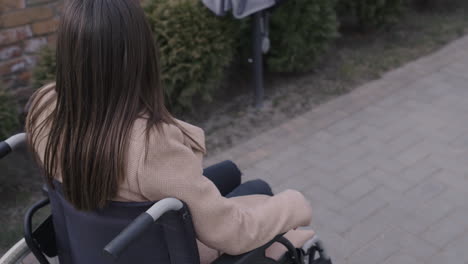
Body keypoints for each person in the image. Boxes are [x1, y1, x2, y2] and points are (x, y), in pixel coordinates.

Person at [25, 0, 314, 263]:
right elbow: (233, 233)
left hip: (91, 246)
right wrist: (295, 203)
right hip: (159, 252)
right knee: (267, 195)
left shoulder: (45, 106)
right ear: (140, 54)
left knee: (238, 177)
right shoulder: (151, 146)